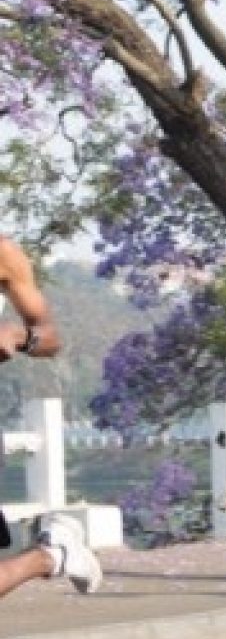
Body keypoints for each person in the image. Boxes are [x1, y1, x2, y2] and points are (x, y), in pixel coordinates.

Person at [0, 236, 102, 598]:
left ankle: (51, 556)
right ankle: (56, 553)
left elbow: (50, 338)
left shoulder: (3, 253)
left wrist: (18, 336)